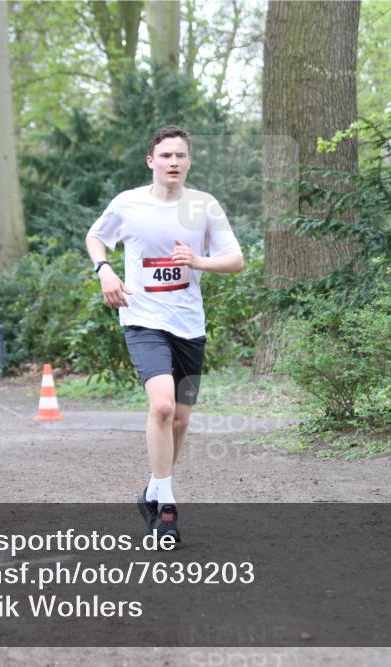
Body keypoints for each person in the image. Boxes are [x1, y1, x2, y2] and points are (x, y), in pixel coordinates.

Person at [85, 126, 244, 542]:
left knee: (180, 420)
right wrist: (105, 271)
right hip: (142, 319)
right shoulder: (129, 204)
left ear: (189, 161)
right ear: (150, 161)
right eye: (166, 155)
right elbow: (96, 237)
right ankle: (167, 506)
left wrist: (198, 261)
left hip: (189, 325)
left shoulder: (203, 206)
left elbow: (236, 260)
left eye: (181, 155)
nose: (174, 162)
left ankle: (153, 490)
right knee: (161, 407)